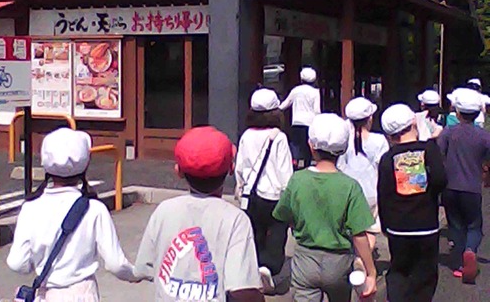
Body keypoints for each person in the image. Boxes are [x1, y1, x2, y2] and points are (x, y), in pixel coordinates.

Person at [135, 126, 264, 302]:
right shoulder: (235, 219)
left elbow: (143, 268)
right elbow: (242, 290)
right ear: (231, 169)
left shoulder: (164, 211)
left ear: (178, 171)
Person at [7, 128, 136, 302]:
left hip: (46, 294)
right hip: (82, 294)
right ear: (85, 165)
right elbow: (116, 264)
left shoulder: (30, 208)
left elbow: (17, 263)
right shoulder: (94, 209)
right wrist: (138, 274)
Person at [273, 113, 377, 302]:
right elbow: (359, 234)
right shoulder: (350, 186)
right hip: (339, 261)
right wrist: (371, 272)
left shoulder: (297, 180)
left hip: (305, 258)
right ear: (343, 149)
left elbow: (283, 215)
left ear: (311, 145)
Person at [378, 104, 447, 302]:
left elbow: (383, 193)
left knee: (399, 271)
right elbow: (440, 179)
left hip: (398, 227)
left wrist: (385, 224)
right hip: (426, 224)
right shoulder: (429, 150)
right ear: (414, 123)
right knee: (425, 274)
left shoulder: (388, 158)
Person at [235, 88, 293, 293]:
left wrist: (241, 186)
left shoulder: (246, 135)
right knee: (277, 231)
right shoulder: (278, 137)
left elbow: (240, 166)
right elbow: (285, 171)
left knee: (255, 232)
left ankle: (255, 267)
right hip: (274, 195)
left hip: (251, 195)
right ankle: (269, 268)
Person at [437, 88, 490, 283]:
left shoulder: (448, 132)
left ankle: (459, 263)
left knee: (456, 225)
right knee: (474, 226)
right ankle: (470, 250)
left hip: (450, 187)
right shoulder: (484, 136)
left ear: (457, 113)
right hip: (472, 188)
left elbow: (438, 154)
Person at [337, 97, 389, 253]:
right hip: (371, 191)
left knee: (351, 228)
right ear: (370, 118)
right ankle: (363, 257)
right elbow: (383, 167)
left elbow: (339, 166)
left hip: (347, 192)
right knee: (370, 229)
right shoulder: (379, 140)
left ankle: (355, 256)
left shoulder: (343, 139)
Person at [280, 67, 321, 169]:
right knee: (307, 145)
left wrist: (275, 108)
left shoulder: (296, 90)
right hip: (310, 122)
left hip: (297, 122)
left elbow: (285, 104)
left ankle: (295, 161)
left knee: (295, 144)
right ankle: (307, 165)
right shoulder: (315, 92)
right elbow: (317, 110)